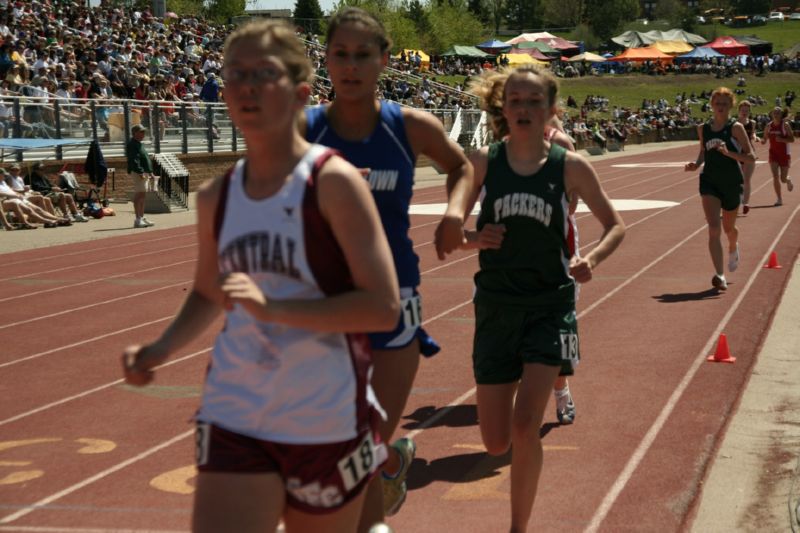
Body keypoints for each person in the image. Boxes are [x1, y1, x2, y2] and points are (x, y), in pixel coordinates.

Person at [121, 20, 400, 533]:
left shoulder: (332, 183)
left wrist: (276, 310)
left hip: (325, 414)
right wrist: (160, 349)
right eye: (235, 74)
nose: (246, 86)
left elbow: (382, 306)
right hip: (236, 409)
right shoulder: (216, 198)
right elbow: (209, 291)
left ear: (299, 93)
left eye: (263, 73)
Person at [302, 8, 474, 526]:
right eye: (340, 55)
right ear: (326, 61)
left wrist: (453, 212)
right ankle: (385, 476)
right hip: (325, 304)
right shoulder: (303, 128)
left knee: (364, 438)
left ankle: (383, 467)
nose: (350, 66)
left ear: (384, 61)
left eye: (363, 55)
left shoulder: (411, 126)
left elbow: (461, 165)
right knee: (343, 442)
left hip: (394, 299)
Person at [464, 65, 625, 532]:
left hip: (550, 304)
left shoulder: (570, 164)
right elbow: (451, 230)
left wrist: (592, 258)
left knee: (525, 425)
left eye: (535, 102)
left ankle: (519, 527)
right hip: (495, 305)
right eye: (516, 100)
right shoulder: (482, 162)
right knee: (496, 443)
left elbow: (615, 225)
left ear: (552, 110)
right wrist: (474, 237)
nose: (525, 109)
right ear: (504, 107)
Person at [685, 88, 755, 291]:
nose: (721, 107)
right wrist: (695, 165)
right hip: (710, 183)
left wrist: (729, 153)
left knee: (729, 229)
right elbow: (702, 152)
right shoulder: (703, 128)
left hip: (732, 182)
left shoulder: (736, 128)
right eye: (718, 103)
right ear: (712, 105)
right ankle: (720, 274)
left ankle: (733, 246)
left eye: (725, 103)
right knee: (714, 229)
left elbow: (750, 157)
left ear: (731, 105)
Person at [760, 106, 794, 206]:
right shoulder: (768, 126)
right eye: (774, 112)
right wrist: (762, 141)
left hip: (784, 154)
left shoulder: (785, 125)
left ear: (781, 115)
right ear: (771, 114)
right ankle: (779, 199)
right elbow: (764, 139)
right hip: (773, 154)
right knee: (775, 176)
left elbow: (792, 139)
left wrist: (782, 140)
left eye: (778, 113)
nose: (775, 114)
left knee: (782, 179)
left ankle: (788, 179)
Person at [126, 123, 155, 228]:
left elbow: (144, 159)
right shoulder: (132, 144)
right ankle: (138, 219)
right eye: (141, 132)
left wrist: (150, 171)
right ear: (135, 133)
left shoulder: (139, 144)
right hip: (139, 173)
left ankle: (141, 217)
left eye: (144, 132)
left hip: (143, 172)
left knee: (142, 196)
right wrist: (140, 171)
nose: (143, 134)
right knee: (139, 195)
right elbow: (134, 160)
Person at [736, 100, 759, 215]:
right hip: (736, 154)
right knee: (736, 180)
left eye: (747, 110)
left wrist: (755, 137)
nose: (744, 112)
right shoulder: (734, 123)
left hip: (749, 154)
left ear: (749, 111)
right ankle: (737, 200)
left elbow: (752, 133)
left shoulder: (752, 122)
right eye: (742, 110)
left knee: (747, 180)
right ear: (739, 111)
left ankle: (746, 204)